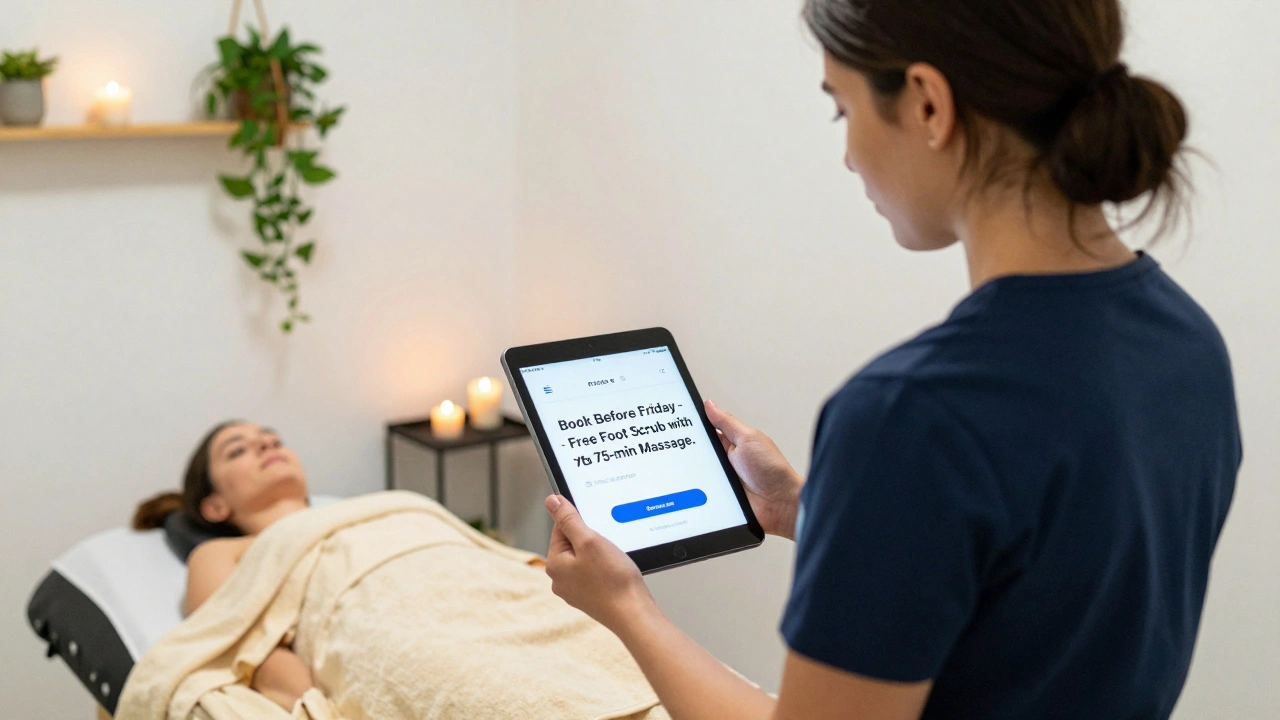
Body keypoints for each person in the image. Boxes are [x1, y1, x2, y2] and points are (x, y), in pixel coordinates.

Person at [539, 1, 1241, 719]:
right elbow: (1037, 596)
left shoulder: (911, 415)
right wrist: (805, 511)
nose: (847, 155)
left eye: (843, 111)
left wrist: (626, 605)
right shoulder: (1188, 344)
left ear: (930, 105)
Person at [134, 421, 321, 710]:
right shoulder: (223, 553)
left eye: (274, 440)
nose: (266, 445)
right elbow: (241, 643)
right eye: (237, 450)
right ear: (216, 506)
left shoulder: (373, 513)